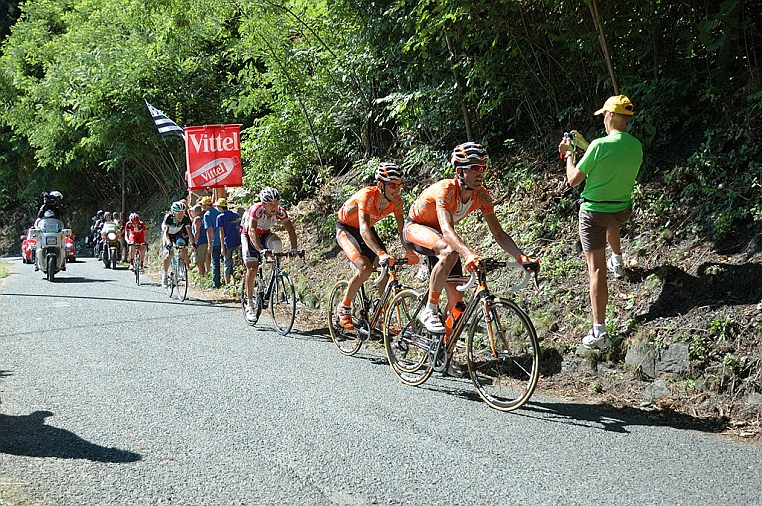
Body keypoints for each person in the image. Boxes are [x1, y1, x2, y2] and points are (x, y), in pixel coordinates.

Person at [403, 142, 538, 333]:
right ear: (459, 170)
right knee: (450, 251)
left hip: (440, 237)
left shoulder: (481, 195)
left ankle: (443, 348)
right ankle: (429, 310)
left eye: (483, 167)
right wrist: (468, 254)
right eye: (474, 167)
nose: (480, 172)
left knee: (457, 302)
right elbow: (447, 229)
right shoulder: (446, 190)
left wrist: (521, 257)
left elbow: (498, 233)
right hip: (416, 228)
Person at [558, 95, 643, 350]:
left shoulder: (598, 146)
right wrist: (586, 144)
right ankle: (617, 261)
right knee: (611, 221)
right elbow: (609, 160)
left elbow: (573, 180)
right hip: (621, 211)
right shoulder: (635, 145)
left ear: (608, 116)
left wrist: (569, 155)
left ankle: (599, 332)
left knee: (596, 270)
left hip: (594, 214)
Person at [335, 162, 418, 330]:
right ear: (381, 184)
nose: (397, 189)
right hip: (347, 229)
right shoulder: (367, 195)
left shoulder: (397, 201)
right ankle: (344, 307)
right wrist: (380, 253)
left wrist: (409, 250)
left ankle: (381, 317)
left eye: (400, 185)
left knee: (386, 269)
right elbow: (364, 229)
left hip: (365, 229)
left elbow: (403, 230)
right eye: (393, 185)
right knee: (365, 268)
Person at [241, 187, 299, 318]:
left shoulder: (280, 212)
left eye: (276, 204)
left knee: (277, 244)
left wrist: (294, 248)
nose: (274, 207)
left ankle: (275, 275)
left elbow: (290, 230)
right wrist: (261, 250)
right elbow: (252, 231)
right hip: (249, 234)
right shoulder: (256, 210)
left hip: (265, 233)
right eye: (271, 205)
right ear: (263, 204)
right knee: (252, 267)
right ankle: (249, 304)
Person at [161, 201, 194, 288]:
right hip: (167, 235)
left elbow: (189, 233)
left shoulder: (186, 218)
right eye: (179, 213)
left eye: (183, 212)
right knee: (170, 253)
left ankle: (181, 266)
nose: (181, 215)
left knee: (182, 245)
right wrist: (168, 243)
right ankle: (164, 275)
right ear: (173, 212)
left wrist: (193, 243)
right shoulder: (169, 218)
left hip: (177, 233)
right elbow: (166, 234)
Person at [215, 198, 241, 286]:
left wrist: (222, 246)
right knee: (237, 263)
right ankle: (237, 283)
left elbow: (221, 232)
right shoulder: (236, 214)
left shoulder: (220, 217)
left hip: (228, 243)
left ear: (220, 207)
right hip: (238, 242)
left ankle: (227, 284)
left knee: (227, 263)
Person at [203, 196, 222, 288]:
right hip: (223, 240)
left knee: (215, 263)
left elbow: (209, 230)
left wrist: (210, 244)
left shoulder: (207, 215)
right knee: (225, 261)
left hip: (215, 242)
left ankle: (216, 283)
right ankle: (226, 281)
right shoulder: (218, 211)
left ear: (205, 205)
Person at [191, 204, 208, 277]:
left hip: (200, 242)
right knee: (200, 261)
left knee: (198, 261)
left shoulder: (197, 219)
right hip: (205, 241)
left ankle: (202, 276)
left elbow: (196, 232)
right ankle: (203, 275)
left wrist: (193, 243)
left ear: (195, 212)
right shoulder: (203, 217)